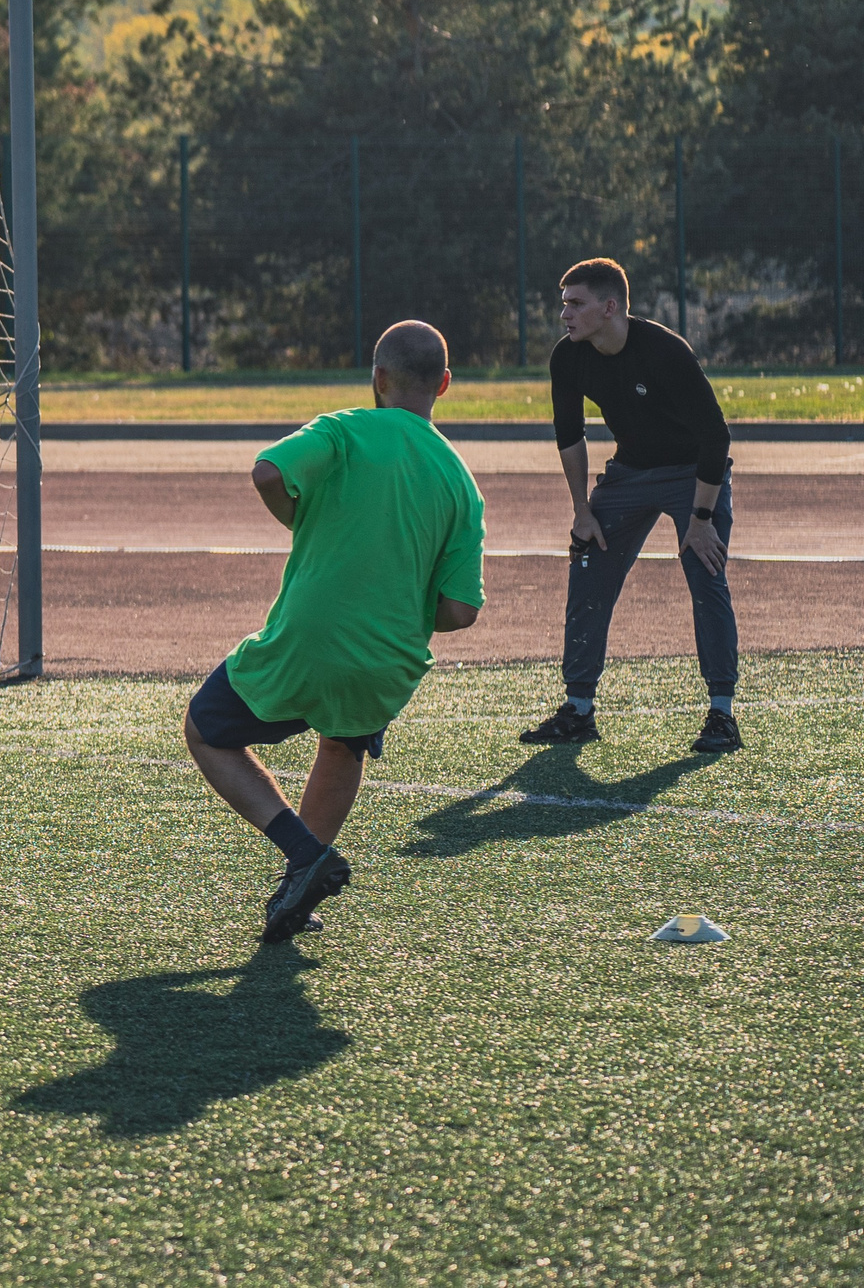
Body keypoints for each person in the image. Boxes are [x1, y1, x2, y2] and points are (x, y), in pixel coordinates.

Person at [184, 321, 486, 944]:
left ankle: (303, 852)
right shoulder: (461, 481)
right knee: (344, 743)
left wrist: (301, 518)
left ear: (377, 378)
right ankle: (296, 892)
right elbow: (460, 611)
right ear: (445, 385)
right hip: (390, 660)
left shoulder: (343, 427)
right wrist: (400, 605)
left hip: (308, 640)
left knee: (206, 728)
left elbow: (269, 472)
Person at [521, 257, 741, 754]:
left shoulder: (665, 351)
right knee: (587, 567)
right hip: (629, 474)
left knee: (707, 577)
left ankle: (722, 715)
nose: (565, 315)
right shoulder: (568, 356)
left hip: (693, 476)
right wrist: (582, 511)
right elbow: (569, 436)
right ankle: (578, 709)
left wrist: (702, 520)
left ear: (610, 307)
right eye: (564, 304)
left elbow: (715, 436)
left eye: (575, 304)